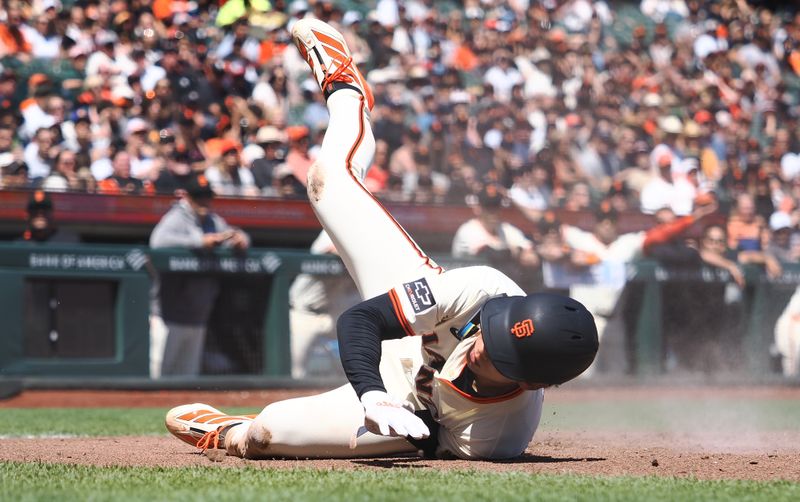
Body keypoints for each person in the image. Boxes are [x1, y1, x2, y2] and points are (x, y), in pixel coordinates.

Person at [165, 18, 598, 461]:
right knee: (326, 180)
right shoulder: (488, 292)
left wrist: (398, 420)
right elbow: (361, 321)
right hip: (415, 326)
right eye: (493, 330)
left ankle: (231, 431)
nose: (482, 343)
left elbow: (427, 439)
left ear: (528, 383)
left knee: (266, 434)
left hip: (408, 406)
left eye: (497, 353)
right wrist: (368, 392)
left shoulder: (497, 436)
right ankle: (347, 90)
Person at [149, 172, 250, 377]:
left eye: (207, 196)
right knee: (161, 374)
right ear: (187, 197)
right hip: (168, 316)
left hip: (198, 316)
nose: (204, 201)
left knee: (188, 377)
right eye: (198, 196)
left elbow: (236, 234)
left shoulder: (213, 220)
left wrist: (240, 239)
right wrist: (199, 242)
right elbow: (157, 242)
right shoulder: (176, 217)